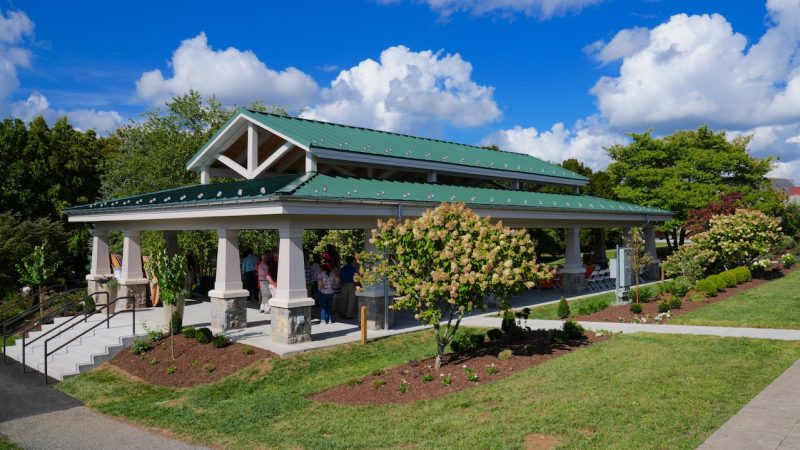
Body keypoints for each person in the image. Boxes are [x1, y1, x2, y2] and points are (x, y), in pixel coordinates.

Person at [339, 255, 358, 319]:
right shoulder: (353, 268)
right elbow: (355, 278)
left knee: (344, 300)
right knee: (351, 300)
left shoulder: (343, 268)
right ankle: (349, 315)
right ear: (352, 261)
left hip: (344, 284)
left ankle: (342, 313)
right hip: (351, 284)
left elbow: (340, 276)